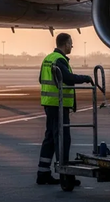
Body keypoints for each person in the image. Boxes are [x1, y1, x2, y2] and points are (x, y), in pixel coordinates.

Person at [37, 33, 92, 185]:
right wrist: (85, 78)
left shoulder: (48, 58)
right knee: (62, 139)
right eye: (71, 43)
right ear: (65, 44)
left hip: (49, 104)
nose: (72, 46)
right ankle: (65, 174)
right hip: (58, 104)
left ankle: (43, 172)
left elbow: (41, 79)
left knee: (50, 138)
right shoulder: (59, 60)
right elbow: (67, 78)